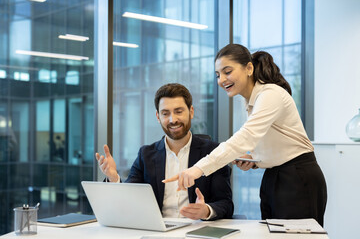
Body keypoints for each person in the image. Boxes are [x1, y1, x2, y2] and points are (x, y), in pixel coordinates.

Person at [163, 44, 327, 226]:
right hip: (275, 176)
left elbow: (246, 137)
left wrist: (197, 169)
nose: (221, 80)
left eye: (227, 71)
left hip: (297, 177)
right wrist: (255, 159)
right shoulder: (250, 101)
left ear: (249, 68)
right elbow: (268, 141)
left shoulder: (270, 94)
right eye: (218, 75)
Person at [96, 83, 233, 221]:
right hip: (158, 230)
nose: (173, 120)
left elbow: (226, 204)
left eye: (179, 111)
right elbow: (129, 199)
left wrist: (206, 211)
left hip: (197, 229)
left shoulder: (213, 152)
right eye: (165, 113)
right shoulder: (146, 155)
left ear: (191, 112)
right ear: (158, 116)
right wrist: (114, 179)